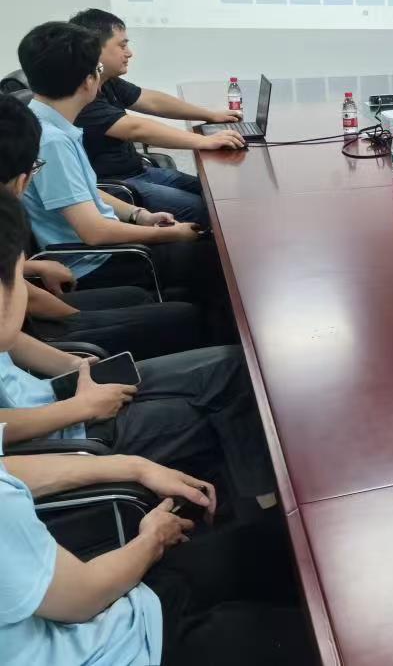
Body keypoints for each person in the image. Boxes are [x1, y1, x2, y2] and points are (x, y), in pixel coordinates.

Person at [0, 187, 276, 507]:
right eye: (16, 281)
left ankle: (265, 500)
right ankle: (260, 515)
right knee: (223, 413)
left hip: (58, 397)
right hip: (63, 442)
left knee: (233, 366)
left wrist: (75, 366)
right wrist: (80, 409)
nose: (24, 292)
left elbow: (13, 341)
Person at [0, 436, 309, 664]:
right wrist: (154, 538)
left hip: (114, 615)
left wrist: (135, 467)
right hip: (116, 652)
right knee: (314, 641)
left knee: (274, 547)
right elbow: (80, 598)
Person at [16, 22, 229, 317]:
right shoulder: (52, 141)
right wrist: (172, 234)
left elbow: (85, 194)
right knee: (221, 257)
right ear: (89, 81)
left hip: (101, 249)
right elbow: (95, 232)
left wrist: (139, 215)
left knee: (211, 247)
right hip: (94, 263)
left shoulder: (43, 120)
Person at [0, 94, 204, 356]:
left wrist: (31, 266)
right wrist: (80, 318)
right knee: (188, 311)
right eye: (35, 168)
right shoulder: (49, 144)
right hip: (39, 326)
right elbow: (21, 314)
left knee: (144, 299)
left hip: (35, 307)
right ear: (21, 180)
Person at [70, 9, 245, 227]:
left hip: (138, 171)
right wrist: (204, 141)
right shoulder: (80, 94)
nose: (129, 53)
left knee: (218, 193)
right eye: (122, 46)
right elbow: (135, 129)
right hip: (118, 186)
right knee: (210, 208)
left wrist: (210, 115)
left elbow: (152, 101)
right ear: (93, 49)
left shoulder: (106, 81)